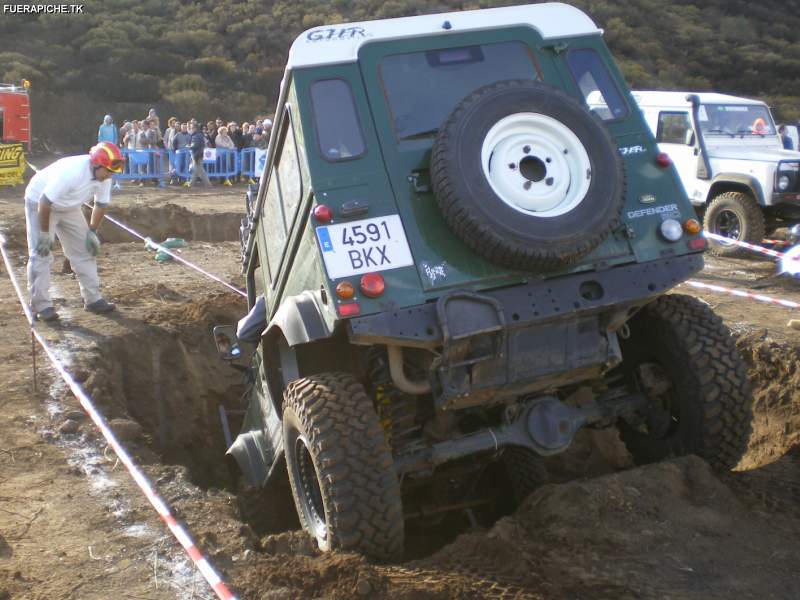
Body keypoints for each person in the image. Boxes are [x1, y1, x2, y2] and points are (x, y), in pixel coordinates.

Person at [24, 142, 122, 321]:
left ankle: (93, 299)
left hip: (69, 206)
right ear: (97, 164)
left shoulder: (105, 176)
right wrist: (45, 234)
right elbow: (44, 202)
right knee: (41, 253)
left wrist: (92, 231)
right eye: (108, 171)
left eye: (112, 172)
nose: (110, 176)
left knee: (84, 250)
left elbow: (101, 204)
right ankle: (41, 305)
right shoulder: (71, 173)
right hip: (40, 202)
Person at [186, 121, 211, 188]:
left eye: (191, 128)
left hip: (196, 154)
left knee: (198, 170)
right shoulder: (200, 134)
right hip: (200, 154)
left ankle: (192, 184)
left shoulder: (195, 136)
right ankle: (207, 184)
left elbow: (195, 145)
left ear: (194, 128)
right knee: (198, 170)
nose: (190, 129)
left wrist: (189, 146)